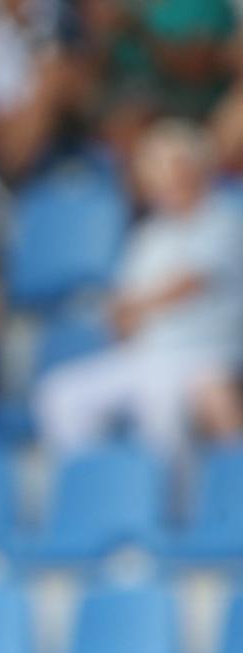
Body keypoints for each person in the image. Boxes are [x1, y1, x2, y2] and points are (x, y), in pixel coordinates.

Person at [35, 121, 243, 459]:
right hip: (148, 352)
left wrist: (132, 307)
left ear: (197, 170)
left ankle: (175, 504)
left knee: (160, 394)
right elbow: (121, 310)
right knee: (60, 395)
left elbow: (186, 284)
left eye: (175, 169)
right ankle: (100, 487)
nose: (167, 182)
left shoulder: (226, 220)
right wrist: (122, 316)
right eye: (157, 174)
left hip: (207, 352)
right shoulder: (149, 235)